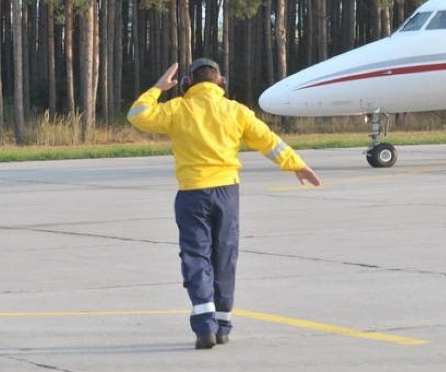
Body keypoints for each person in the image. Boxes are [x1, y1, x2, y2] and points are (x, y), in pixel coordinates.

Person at [127, 58, 321, 350]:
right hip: (227, 192)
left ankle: (204, 326)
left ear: (187, 83)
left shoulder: (177, 109)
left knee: (196, 255)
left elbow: (138, 115)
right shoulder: (236, 111)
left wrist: (157, 88)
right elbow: (268, 141)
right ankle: (223, 324)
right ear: (220, 83)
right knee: (225, 255)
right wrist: (296, 164)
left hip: (192, 193)